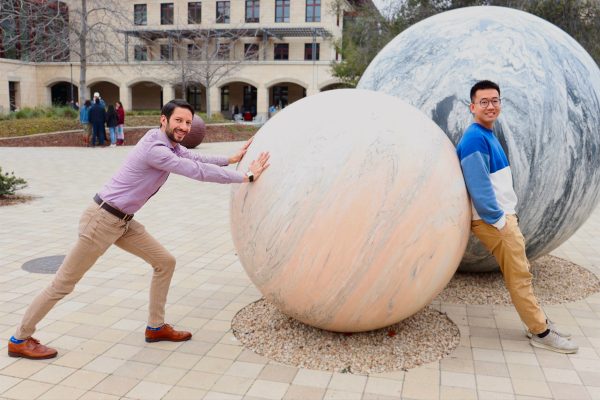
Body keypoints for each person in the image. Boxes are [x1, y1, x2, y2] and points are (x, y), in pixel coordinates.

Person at [7, 99, 271, 360]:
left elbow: (192, 155)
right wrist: (246, 177)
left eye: (188, 122)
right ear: (163, 119)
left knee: (164, 262)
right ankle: (20, 338)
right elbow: (195, 170)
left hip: (122, 221)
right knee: (63, 284)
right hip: (102, 221)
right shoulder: (156, 149)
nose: (184, 127)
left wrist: (229, 158)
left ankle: (156, 327)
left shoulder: (164, 141)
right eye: (178, 120)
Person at [456, 80, 578, 354]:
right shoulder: (475, 137)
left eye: (495, 100)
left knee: (522, 273)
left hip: (501, 218)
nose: (490, 106)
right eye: (484, 101)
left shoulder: (487, 133)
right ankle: (541, 331)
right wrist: (498, 219)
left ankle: (537, 321)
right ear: (472, 106)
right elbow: (478, 185)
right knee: (520, 275)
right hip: (494, 222)